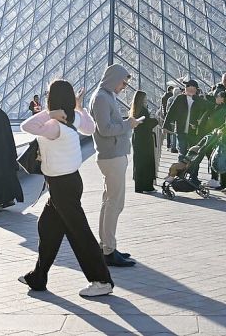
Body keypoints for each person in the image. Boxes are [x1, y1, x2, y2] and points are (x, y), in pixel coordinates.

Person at [19, 79, 114, 297]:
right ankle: (38, 276)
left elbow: (27, 126)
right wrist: (77, 107)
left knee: (79, 234)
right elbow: (90, 129)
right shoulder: (74, 118)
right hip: (70, 182)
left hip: (61, 185)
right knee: (47, 227)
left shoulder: (53, 126)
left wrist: (50, 114)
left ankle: (101, 280)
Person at [90, 65, 141, 268]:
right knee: (114, 204)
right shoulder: (102, 98)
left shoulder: (105, 95)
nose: (124, 86)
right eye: (123, 82)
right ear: (114, 78)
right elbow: (105, 129)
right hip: (112, 156)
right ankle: (108, 250)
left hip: (113, 155)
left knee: (109, 202)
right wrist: (128, 124)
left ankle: (106, 246)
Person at [163, 80, 209, 162]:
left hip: (194, 132)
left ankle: (193, 174)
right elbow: (171, 111)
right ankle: (180, 174)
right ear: (185, 88)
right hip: (181, 130)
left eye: (192, 88)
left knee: (193, 154)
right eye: (188, 87)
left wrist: (199, 122)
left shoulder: (199, 100)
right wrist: (165, 126)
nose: (190, 90)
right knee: (182, 153)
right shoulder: (180, 98)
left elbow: (210, 108)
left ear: (196, 90)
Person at [130, 91, 159, 193]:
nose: (146, 99)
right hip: (145, 139)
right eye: (145, 98)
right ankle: (147, 186)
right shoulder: (143, 110)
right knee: (147, 162)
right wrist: (155, 121)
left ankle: (139, 186)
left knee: (139, 162)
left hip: (137, 138)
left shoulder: (134, 110)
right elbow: (147, 125)